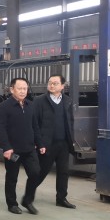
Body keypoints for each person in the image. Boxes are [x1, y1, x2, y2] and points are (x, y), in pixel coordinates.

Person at [0, 77, 44, 215]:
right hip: (13, 150)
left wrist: (40, 143)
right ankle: (12, 204)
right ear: (12, 90)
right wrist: (6, 147)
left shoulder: (30, 105)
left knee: (35, 173)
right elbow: (1, 129)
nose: (23, 91)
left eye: (25, 88)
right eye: (20, 88)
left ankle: (27, 200)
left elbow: (35, 126)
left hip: (29, 148)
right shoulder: (4, 107)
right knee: (12, 178)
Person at [34, 74, 77, 209]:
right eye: (50, 83)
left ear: (62, 86)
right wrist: (38, 142)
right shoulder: (39, 101)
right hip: (47, 144)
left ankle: (61, 198)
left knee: (64, 172)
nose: (52, 85)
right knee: (42, 171)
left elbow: (70, 121)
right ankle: (29, 195)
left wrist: (71, 140)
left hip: (63, 143)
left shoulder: (67, 101)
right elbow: (35, 123)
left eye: (55, 83)